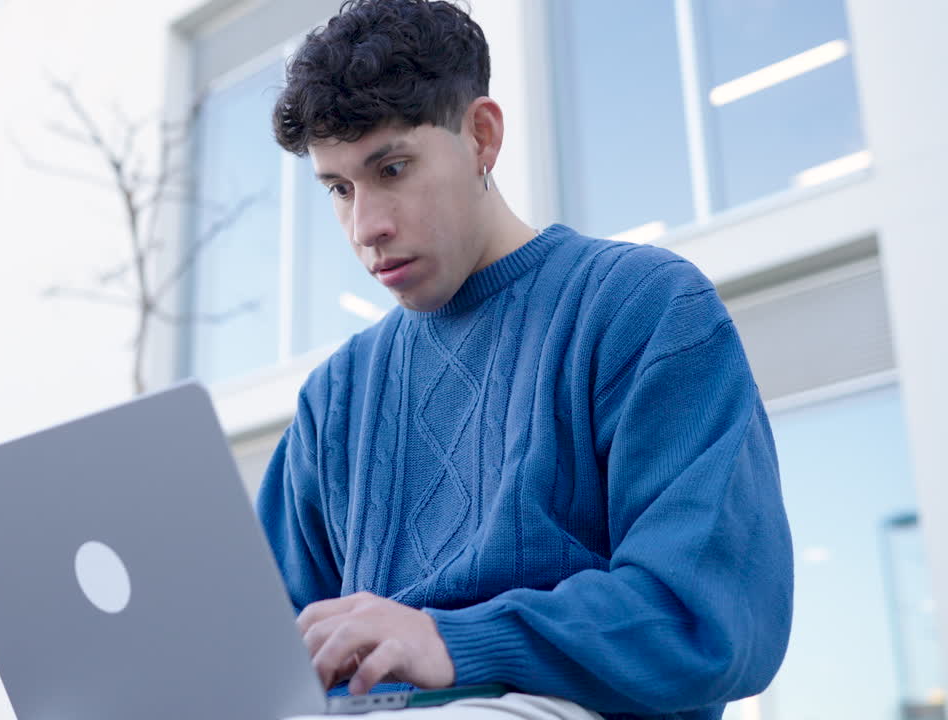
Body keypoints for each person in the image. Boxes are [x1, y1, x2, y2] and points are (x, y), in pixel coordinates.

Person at [254, 1, 794, 719]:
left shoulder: (643, 308)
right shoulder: (336, 396)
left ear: (481, 136)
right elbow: (264, 651)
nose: (366, 226)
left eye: (393, 168)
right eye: (339, 188)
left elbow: (708, 616)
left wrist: (452, 640)